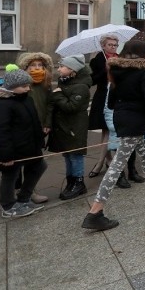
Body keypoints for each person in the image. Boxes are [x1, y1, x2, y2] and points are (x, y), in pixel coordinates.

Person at [82, 40, 145, 231]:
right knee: (117, 165)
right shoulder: (143, 70)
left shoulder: (115, 70)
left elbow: (110, 102)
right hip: (137, 120)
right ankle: (95, 212)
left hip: (122, 118)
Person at [0, 69, 47, 219]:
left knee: (40, 165)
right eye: (23, 86)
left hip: (30, 146)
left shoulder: (26, 99)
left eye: (28, 85)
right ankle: (8, 206)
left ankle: (24, 199)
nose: (28, 88)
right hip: (13, 150)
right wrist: (5, 156)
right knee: (10, 176)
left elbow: (35, 122)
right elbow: (0, 132)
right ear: (11, 86)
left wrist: (40, 140)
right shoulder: (2, 105)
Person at [49, 54, 92, 200]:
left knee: (75, 155)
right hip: (66, 125)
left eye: (62, 66)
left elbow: (71, 107)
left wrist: (58, 96)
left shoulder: (80, 86)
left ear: (72, 69)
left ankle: (79, 183)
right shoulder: (65, 82)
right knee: (67, 154)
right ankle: (70, 181)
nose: (59, 69)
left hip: (75, 126)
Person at [15, 52, 54, 204]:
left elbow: (50, 105)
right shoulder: (21, 85)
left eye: (40, 65)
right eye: (33, 65)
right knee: (19, 162)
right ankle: (17, 190)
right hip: (22, 130)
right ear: (25, 68)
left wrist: (47, 123)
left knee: (35, 162)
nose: (37, 69)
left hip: (39, 129)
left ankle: (30, 190)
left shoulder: (46, 84)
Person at [87, 35, 119, 178]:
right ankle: (103, 161)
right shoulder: (98, 60)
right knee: (106, 130)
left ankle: (105, 161)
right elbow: (92, 80)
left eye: (115, 45)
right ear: (103, 46)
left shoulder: (120, 58)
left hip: (116, 97)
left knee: (109, 131)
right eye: (110, 45)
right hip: (102, 97)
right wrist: (106, 70)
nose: (113, 47)